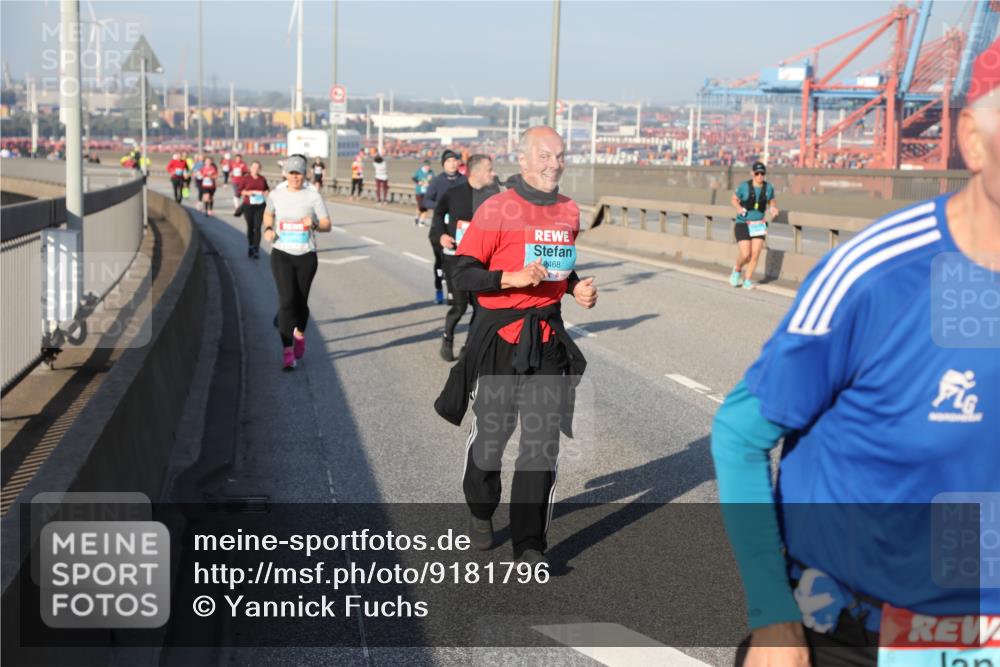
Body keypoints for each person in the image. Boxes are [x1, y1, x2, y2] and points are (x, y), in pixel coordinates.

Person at [711, 39, 1000, 667]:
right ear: (974, 141)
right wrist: (775, 622)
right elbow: (739, 434)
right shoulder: (880, 274)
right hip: (854, 622)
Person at [434, 127, 598, 564]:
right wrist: (510, 278)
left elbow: (559, 269)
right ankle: (482, 509)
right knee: (492, 436)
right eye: (544, 156)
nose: (554, 164)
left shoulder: (569, 210)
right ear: (523, 160)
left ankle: (529, 545)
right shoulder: (497, 209)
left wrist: (576, 288)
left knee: (541, 444)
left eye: (560, 156)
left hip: (546, 338)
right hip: (500, 337)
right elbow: (462, 275)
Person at [262, 154, 332, 371]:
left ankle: (299, 333)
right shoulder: (277, 194)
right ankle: (287, 351)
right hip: (281, 253)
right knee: (286, 301)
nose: (295, 177)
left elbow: (327, 224)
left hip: (306, 255)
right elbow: (268, 214)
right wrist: (267, 229)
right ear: (285, 174)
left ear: (305, 174)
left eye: (298, 173)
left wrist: (313, 224)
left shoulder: (313, 196)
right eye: (291, 173)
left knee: (300, 302)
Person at [429, 154, 500, 361]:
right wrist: (441, 235)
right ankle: (447, 337)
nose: (493, 173)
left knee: (480, 307)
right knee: (459, 306)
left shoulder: (493, 196)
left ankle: (468, 347)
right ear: (476, 172)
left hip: (481, 261)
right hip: (455, 259)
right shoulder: (453, 193)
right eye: (489, 169)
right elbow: (438, 215)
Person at [422, 149, 468, 304]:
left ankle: (455, 294)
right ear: (443, 164)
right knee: (441, 262)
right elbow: (426, 201)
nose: (452, 163)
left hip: (459, 230)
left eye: (455, 160)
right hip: (439, 228)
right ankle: (439, 289)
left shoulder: (464, 180)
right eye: (449, 161)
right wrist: (443, 206)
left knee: (458, 263)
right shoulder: (437, 181)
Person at [730, 161, 778, 290]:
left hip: (758, 224)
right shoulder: (744, 186)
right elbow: (734, 199)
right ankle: (737, 270)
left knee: (756, 253)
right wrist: (739, 207)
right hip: (743, 223)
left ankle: (747, 279)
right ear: (752, 173)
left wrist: (773, 207)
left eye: (762, 173)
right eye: (757, 173)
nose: (760, 176)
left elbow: (772, 200)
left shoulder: (768, 188)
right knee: (746, 254)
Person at [238, 161, 269, 259]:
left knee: (258, 227)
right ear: (250, 168)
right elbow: (240, 191)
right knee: (250, 227)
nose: (255, 169)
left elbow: (267, 189)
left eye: (257, 167)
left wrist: (266, 192)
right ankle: (251, 245)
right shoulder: (246, 178)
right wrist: (248, 193)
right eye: (254, 167)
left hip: (260, 206)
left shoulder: (262, 179)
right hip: (248, 206)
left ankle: (256, 248)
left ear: (260, 169)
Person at [412, 159, 434, 226]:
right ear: (424, 166)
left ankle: (421, 221)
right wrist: (418, 182)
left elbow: (434, 180)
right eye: (426, 166)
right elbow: (413, 178)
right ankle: (416, 218)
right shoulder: (419, 171)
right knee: (420, 206)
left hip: (427, 192)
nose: (428, 167)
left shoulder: (431, 172)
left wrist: (430, 181)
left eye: (429, 166)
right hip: (419, 192)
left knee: (425, 207)